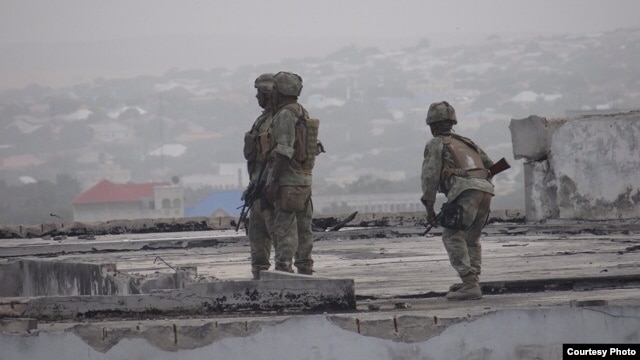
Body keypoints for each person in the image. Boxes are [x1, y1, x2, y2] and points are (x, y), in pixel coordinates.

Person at [420, 101, 495, 300]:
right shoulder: (467, 142)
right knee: (472, 238)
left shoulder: (435, 144)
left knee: (451, 236)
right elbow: (493, 166)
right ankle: (472, 282)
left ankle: (469, 284)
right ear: (453, 121)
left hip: (465, 192)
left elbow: (430, 177)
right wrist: (480, 183)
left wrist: (429, 208)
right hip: (486, 191)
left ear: (431, 124)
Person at [264, 71, 317, 275]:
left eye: (275, 89)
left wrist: (274, 181)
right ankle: (305, 266)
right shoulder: (301, 111)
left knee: (285, 227)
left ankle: (284, 269)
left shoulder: (285, 114)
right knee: (304, 227)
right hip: (303, 179)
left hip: (288, 181)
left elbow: (284, 151)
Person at [243, 73, 276, 280]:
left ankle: (286, 278)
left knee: (281, 239)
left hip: (270, 189)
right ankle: (260, 277)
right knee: (257, 238)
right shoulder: (262, 120)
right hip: (257, 187)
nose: (257, 97)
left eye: (260, 92)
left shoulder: (281, 120)